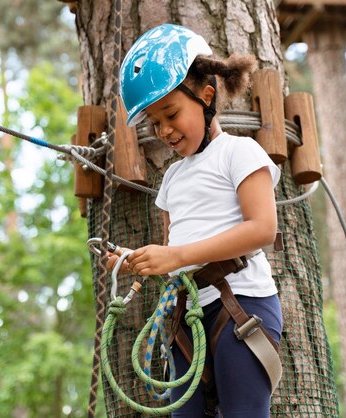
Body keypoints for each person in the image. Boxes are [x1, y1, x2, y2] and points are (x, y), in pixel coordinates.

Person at [109, 24, 283, 418]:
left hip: (242, 305)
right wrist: (135, 259)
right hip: (186, 318)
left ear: (207, 97)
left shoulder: (239, 152)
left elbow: (262, 229)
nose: (164, 130)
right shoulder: (171, 178)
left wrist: (176, 256)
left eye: (171, 113)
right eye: (154, 122)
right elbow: (176, 256)